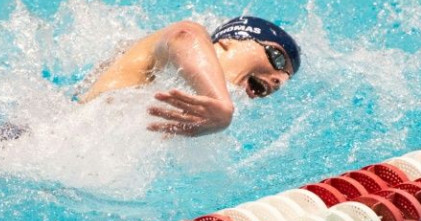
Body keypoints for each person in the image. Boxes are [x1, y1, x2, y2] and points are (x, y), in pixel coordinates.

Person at [81, 16, 301, 137]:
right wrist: (221, 103)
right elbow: (184, 35)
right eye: (277, 58)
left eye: (285, 78)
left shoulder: (190, 111)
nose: (279, 80)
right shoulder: (188, 37)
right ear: (227, 42)